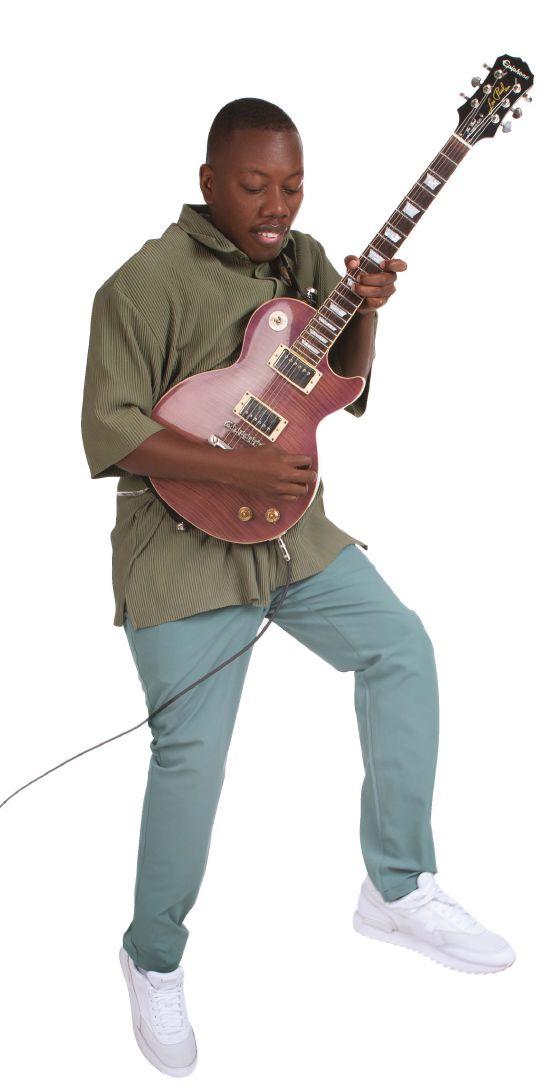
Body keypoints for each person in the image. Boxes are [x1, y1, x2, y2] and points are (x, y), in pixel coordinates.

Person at [81, 97, 515, 1078]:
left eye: (291, 186)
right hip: (181, 548)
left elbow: (338, 387)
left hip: (291, 534)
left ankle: (395, 888)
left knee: (400, 647)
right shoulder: (141, 285)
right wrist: (235, 468)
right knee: (192, 757)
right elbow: (109, 430)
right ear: (208, 181)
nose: (275, 206)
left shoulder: (304, 261)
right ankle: (153, 956)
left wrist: (367, 312)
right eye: (253, 186)